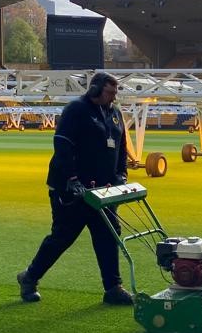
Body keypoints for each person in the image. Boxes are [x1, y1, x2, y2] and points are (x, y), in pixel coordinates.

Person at [18, 71, 134, 305]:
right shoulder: (76, 110)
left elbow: (121, 147)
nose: (113, 97)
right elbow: (62, 145)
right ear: (95, 89)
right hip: (72, 191)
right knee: (62, 237)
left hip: (103, 191)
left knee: (108, 237)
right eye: (110, 93)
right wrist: (72, 179)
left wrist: (121, 175)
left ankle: (113, 288)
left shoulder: (114, 114)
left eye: (115, 93)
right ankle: (29, 277)